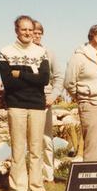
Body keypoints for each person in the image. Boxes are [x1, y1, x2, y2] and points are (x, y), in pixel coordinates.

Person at [0, 15, 50, 191]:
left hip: (37, 105)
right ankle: (18, 188)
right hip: (16, 105)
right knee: (18, 148)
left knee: (37, 148)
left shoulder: (41, 52)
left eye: (30, 29)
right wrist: (31, 77)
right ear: (16, 31)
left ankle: (37, 186)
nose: (27, 33)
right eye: (24, 29)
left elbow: (44, 79)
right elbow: (8, 82)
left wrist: (19, 73)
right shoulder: (6, 51)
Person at [64, 24, 97, 161]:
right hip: (90, 105)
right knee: (93, 144)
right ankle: (91, 176)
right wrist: (83, 97)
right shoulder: (79, 57)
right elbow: (69, 83)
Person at [33, 20, 64, 182]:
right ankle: (32, 174)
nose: (37, 36)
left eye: (40, 33)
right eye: (34, 33)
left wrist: (53, 96)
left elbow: (59, 76)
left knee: (46, 139)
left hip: (45, 99)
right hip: (27, 100)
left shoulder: (48, 53)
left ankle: (47, 175)